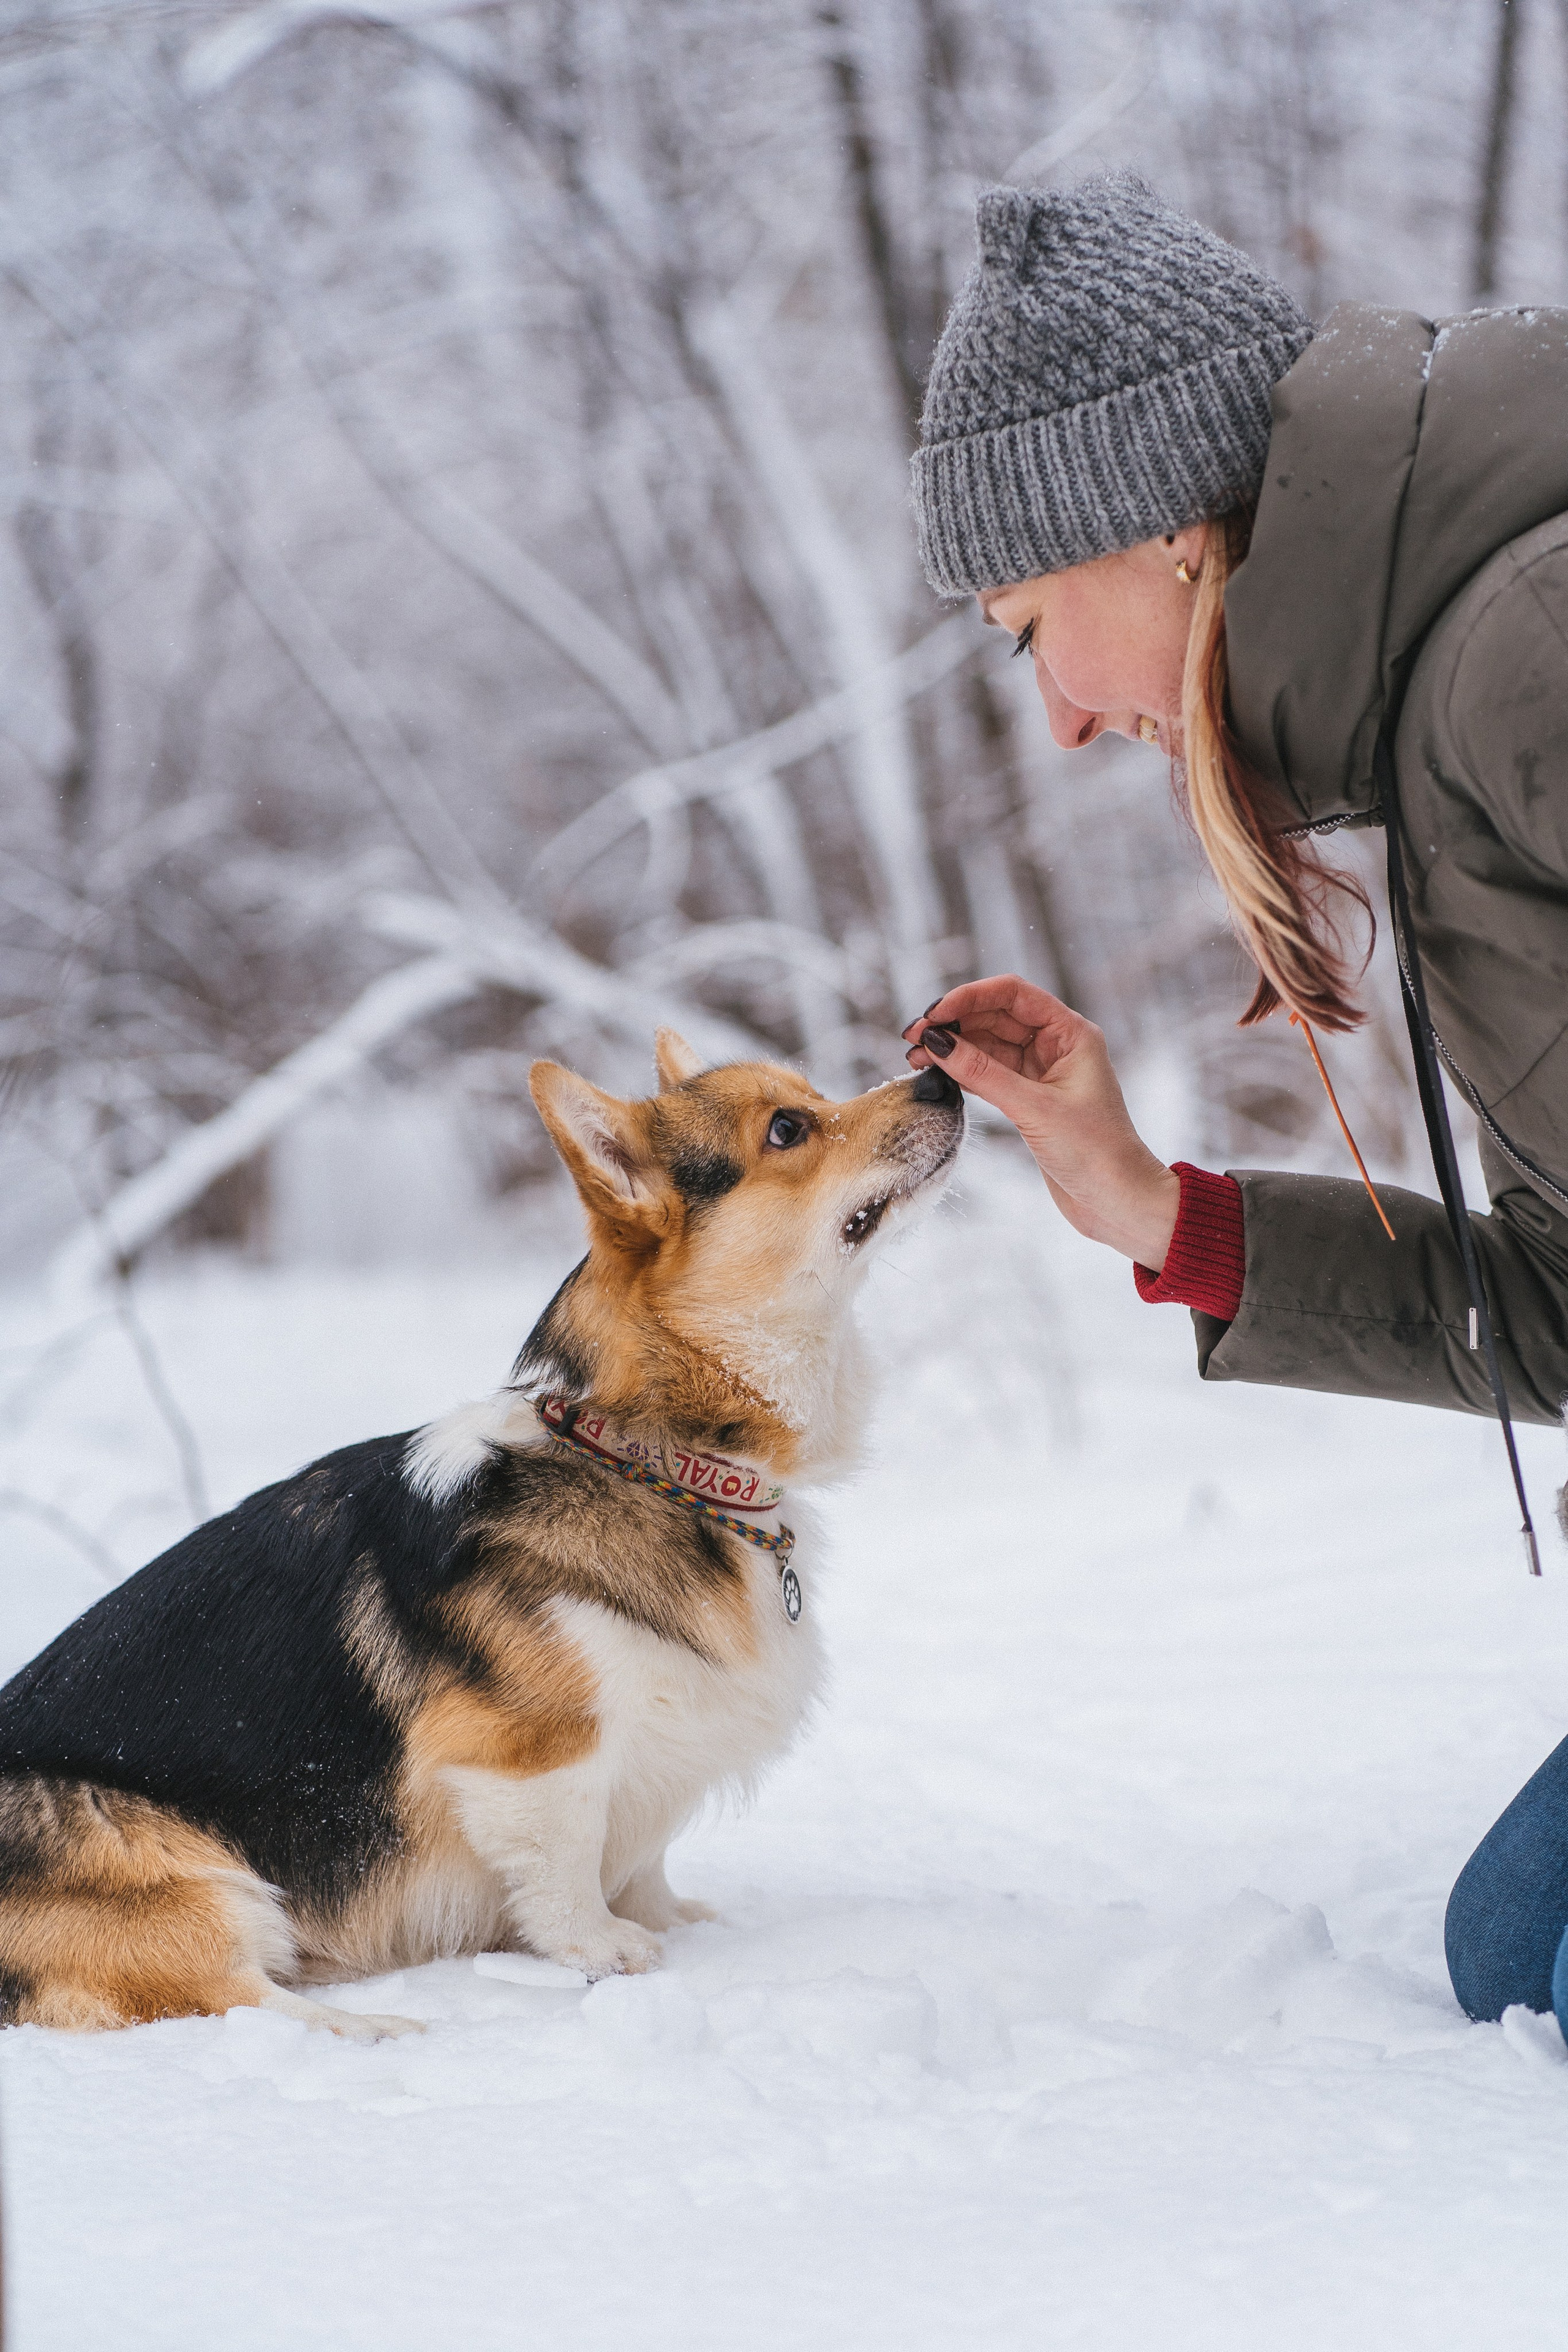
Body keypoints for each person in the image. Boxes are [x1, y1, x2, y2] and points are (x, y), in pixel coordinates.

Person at [899, 173, 1568, 2033]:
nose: (1059, 717)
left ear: (1174, 537)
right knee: (1515, 1962)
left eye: (1032, 629)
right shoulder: (1437, 720)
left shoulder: (1535, 644)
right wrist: (1154, 1212)